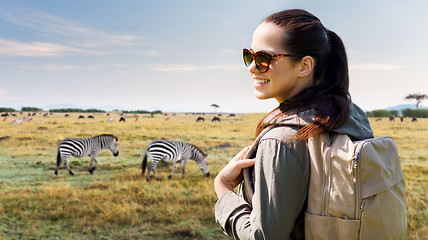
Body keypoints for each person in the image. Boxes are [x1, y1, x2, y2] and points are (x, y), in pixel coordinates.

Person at [214, 9, 374, 239]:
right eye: (249, 56)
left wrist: (223, 189)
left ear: (304, 66)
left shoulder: (280, 140)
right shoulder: (351, 116)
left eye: (264, 58)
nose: (251, 68)